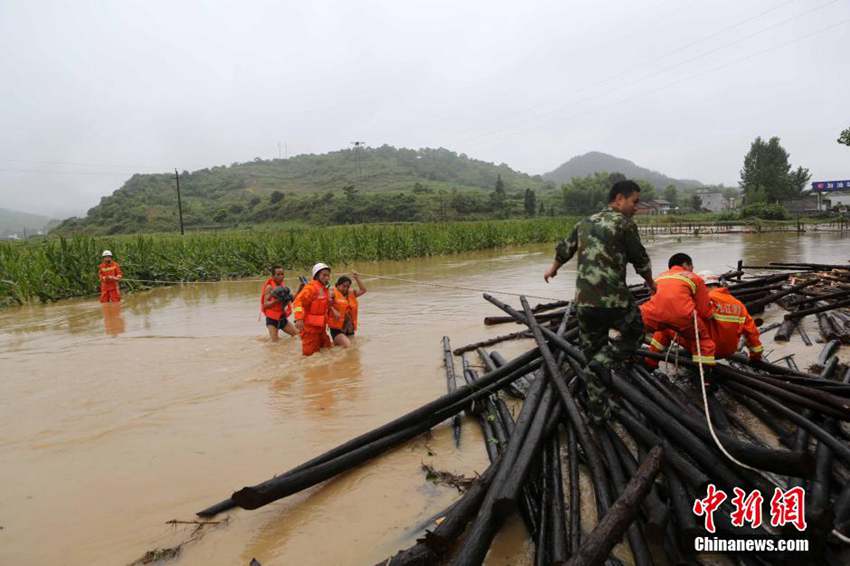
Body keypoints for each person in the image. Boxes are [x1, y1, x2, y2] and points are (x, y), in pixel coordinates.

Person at [544, 179, 655, 424]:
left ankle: (598, 413)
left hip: (584, 304)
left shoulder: (584, 222)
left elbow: (565, 249)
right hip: (614, 302)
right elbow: (640, 259)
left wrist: (553, 269)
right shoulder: (625, 224)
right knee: (636, 333)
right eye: (634, 202)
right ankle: (601, 364)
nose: (636, 207)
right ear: (619, 199)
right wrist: (651, 284)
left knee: (592, 351)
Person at [646, 270, 763, 365]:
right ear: (718, 284)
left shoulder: (700, 301)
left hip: (706, 352)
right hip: (728, 351)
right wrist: (755, 358)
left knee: (666, 327)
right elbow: (752, 333)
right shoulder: (738, 304)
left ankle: (651, 362)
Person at [640, 253, 716, 370]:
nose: (693, 269)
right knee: (703, 341)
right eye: (692, 266)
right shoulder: (694, 278)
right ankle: (704, 376)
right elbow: (705, 311)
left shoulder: (659, 277)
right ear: (685, 264)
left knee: (642, 330)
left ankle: (648, 363)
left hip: (651, 314)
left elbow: (656, 300)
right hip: (682, 316)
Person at [292, 262, 334, 356]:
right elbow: (298, 302)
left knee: (328, 349)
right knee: (309, 357)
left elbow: (324, 306)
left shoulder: (324, 289)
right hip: (310, 329)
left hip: (321, 328)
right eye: (324, 275)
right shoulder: (310, 288)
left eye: (328, 275)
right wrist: (298, 318)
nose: (327, 278)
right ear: (317, 275)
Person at [327, 272, 367, 347]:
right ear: (338, 285)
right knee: (348, 346)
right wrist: (333, 310)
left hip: (349, 329)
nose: (345, 288)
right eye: (343, 286)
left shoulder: (351, 294)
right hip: (337, 330)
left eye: (347, 286)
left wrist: (357, 278)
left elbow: (363, 290)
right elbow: (326, 302)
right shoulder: (333, 293)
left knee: (353, 348)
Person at [260, 265, 297, 341]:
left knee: (297, 335)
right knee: (274, 343)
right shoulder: (269, 287)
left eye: (282, 274)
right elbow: (265, 304)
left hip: (282, 317)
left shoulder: (283, 287)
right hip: (272, 319)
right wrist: (277, 301)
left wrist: (301, 288)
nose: (281, 276)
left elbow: (293, 299)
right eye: (278, 274)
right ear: (273, 276)